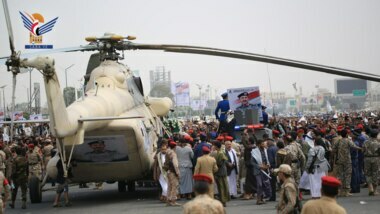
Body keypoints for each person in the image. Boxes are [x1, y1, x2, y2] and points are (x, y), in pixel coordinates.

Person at [332, 129, 361, 196]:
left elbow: (333, 149)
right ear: (347, 134)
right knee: (347, 175)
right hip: (347, 160)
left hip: (339, 160)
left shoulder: (338, 141)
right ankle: (346, 191)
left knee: (340, 175)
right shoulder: (348, 141)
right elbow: (354, 146)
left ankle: (339, 190)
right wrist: (361, 148)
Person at [251, 139, 272, 205]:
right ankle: (258, 199)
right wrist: (259, 166)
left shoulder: (265, 150)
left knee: (264, 184)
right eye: (262, 144)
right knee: (259, 184)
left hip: (265, 170)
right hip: (258, 171)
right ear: (258, 144)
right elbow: (252, 162)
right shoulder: (254, 152)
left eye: (264, 144)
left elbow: (267, 160)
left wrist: (268, 165)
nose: (263, 145)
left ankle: (262, 199)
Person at [363, 129, 380, 196]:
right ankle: (375, 190)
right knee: (375, 173)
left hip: (367, 158)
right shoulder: (378, 143)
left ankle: (370, 188)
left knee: (367, 173)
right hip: (376, 158)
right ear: (376, 135)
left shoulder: (365, 142)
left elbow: (363, 150)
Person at [163, 140, 180, 206]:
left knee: (169, 186)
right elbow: (175, 164)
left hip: (168, 171)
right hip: (173, 172)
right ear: (174, 147)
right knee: (174, 186)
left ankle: (168, 200)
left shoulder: (167, 152)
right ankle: (173, 200)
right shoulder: (173, 153)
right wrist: (178, 173)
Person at [213, 141, 230, 207]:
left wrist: (214, 162)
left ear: (216, 146)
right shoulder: (221, 152)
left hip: (220, 172)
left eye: (214, 145)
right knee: (223, 186)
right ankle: (223, 200)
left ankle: (223, 200)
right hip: (222, 171)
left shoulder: (220, 153)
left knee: (221, 187)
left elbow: (219, 163)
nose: (213, 147)